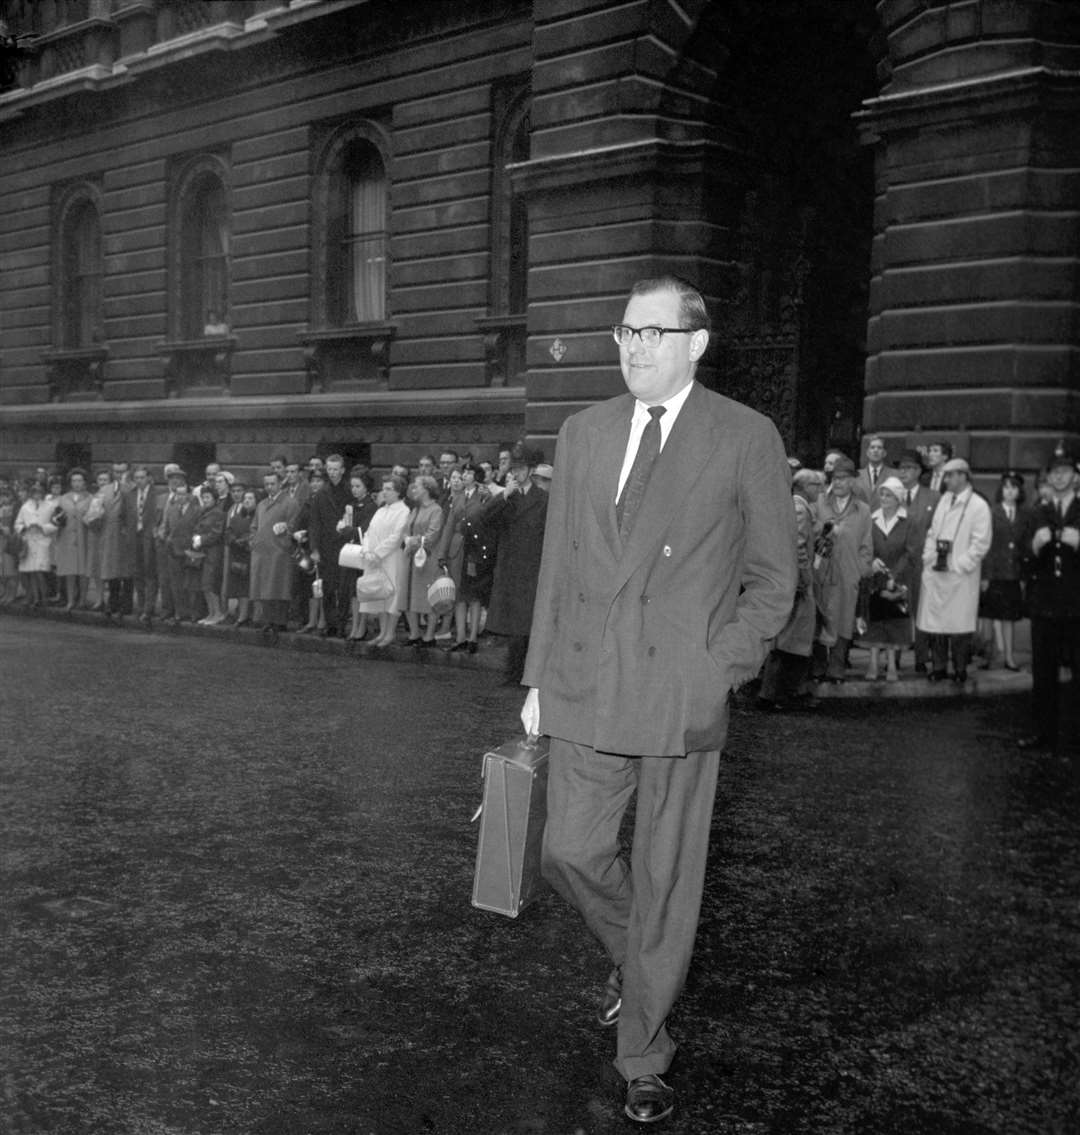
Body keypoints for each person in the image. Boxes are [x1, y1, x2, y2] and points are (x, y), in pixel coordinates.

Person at [520, 275, 796, 1126]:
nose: (635, 348)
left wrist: (718, 669)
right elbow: (559, 569)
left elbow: (774, 581)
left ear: (696, 343)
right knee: (567, 851)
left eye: (653, 333)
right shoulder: (583, 431)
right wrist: (536, 679)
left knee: (667, 878)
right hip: (585, 682)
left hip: (679, 696)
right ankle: (640, 958)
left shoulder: (745, 436)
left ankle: (644, 1050)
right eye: (626, 333)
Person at [1017, 441, 1080, 754]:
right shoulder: (1037, 512)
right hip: (1044, 605)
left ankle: (1074, 736)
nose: (1059, 477)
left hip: (1075, 605)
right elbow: (1022, 557)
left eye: (1065, 471)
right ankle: (1044, 733)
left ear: (1075, 476)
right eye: (1054, 472)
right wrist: (1034, 547)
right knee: (1043, 674)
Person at [916, 457, 992, 684]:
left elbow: (981, 543)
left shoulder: (978, 505)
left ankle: (960, 669)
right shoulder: (944, 500)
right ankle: (939, 667)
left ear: (963, 476)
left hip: (961, 576)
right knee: (937, 625)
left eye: (950, 475)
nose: (946, 480)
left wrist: (959, 565)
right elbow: (933, 532)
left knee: (959, 626)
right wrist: (928, 558)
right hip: (937, 571)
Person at [484, 445, 550, 683]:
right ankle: (513, 672)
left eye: (521, 469)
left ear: (530, 470)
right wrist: (502, 495)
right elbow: (482, 519)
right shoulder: (505, 497)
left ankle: (528, 673)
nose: (517, 474)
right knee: (513, 626)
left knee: (528, 625)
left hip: (532, 567)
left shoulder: (543, 499)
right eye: (514, 469)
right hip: (510, 567)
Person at [758, 467, 823, 709]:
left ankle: (783, 692)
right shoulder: (799, 508)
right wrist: (805, 576)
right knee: (788, 640)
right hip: (796, 582)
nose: (820, 490)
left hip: (793, 580)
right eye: (816, 485)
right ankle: (773, 694)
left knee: (791, 639)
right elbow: (797, 545)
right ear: (804, 487)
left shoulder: (800, 507)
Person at [813, 456, 873, 682]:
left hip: (848, 575)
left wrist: (859, 571)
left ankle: (836, 670)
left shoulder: (863, 510)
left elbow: (867, 546)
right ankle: (818, 669)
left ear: (852, 482)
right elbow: (810, 531)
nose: (838, 483)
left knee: (843, 621)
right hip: (822, 573)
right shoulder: (819, 503)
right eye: (835, 479)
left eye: (843, 479)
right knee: (820, 618)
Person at [860, 476, 911, 682]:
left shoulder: (907, 521)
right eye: (881, 494)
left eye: (888, 495)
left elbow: (909, 552)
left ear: (898, 498)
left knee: (894, 622)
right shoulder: (871, 520)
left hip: (898, 581)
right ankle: (872, 663)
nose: (884, 498)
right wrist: (871, 563)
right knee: (875, 621)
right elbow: (865, 546)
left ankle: (891, 665)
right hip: (875, 580)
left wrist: (894, 577)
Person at [437, 461, 492, 653]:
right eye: (464, 474)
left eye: (469, 474)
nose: (465, 477)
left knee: (474, 595)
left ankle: (473, 637)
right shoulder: (458, 497)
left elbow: (487, 522)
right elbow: (449, 525)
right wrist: (442, 553)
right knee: (459, 595)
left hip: (474, 549)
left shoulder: (484, 495)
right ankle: (460, 637)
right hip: (457, 549)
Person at [977, 472, 1028, 671]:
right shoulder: (991, 512)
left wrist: (1023, 576)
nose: (1010, 491)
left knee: (1009, 618)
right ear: (1001, 490)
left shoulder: (1025, 515)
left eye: (1014, 487)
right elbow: (986, 546)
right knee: (989, 617)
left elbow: (1024, 545)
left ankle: (1009, 657)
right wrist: (986, 576)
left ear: (1019, 491)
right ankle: (987, 657)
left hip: (1012, 574)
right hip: (994, 574)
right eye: (1006, 487)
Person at [894, 449, 939, 673]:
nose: (904, 472)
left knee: (922, 611)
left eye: (909, 468)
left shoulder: (932, 497)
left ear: (919, 471)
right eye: (901, 468)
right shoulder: (890, 494)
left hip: (923, 564)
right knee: (896, 610)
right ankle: (894, 657)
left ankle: (921, 657)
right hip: (897, 564)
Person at [248, 469, 301, 641]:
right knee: (263, 588)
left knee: (279, 587)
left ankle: (279, 621)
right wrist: (253, 540)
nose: (269, 487)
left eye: (273, 484)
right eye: (267, 484)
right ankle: (267, 620)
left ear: (280, 484)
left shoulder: (289, 503)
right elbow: (254, 526)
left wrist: (285, 535)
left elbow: (295, 525)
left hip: (279, 553)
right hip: (261, 552)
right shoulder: (261, 504)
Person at [358, 474, 410, 648]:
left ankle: (390, 633)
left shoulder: (404, 511)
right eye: (383, 488)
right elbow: (368, 533)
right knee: (379, 595)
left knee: (392, 595)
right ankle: (382, 632)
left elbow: (396, 537)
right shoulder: (380, 510)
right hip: (374, 560)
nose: (384, 492)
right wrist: (366, 551)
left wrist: (377, 554)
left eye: (389, 489)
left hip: (392, 559)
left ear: (398, 492)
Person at [306, 453, 353, 638]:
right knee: (327, 587)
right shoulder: (321, 494)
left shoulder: (349, 490)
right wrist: (314, 548)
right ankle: (330, 624)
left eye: (336, 469)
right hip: (326, 546)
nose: (332, 473)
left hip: (344, 544)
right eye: (330, 469)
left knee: (343, 588)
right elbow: (314, 523)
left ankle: (341, 623)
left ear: (342, 470)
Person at [401, 474, 445, 646]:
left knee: (428, 598)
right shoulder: (415, 509)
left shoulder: (436, 510)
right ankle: (414, 634)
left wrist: (415, 541)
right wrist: (407, 540)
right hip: (411, 559)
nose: (414, 490)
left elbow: (433, 534)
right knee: (409, 596)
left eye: (417, 487)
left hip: (427, 560)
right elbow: (405, 529)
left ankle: (429, 636)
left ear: (426, 489)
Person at [339, 468, 379, 643]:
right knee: (353, 592)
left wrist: (348, 530)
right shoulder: (353, 505)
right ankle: (355, 625)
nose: (354, 490)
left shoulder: (371, 506)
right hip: (352, 554)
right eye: (352, 486)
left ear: (366, 487)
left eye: (358, 486)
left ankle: (361, 626)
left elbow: (364, 530)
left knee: (361, 591)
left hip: (364, 553)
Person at [98, 461, 135, 621]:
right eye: (116, 472)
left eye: (122, 472)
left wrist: (125, 485)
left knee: (126, 571)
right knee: (112, 569)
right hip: (109, 534)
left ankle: (126, 605)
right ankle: (112, 602)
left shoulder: (132, 488)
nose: (119, 475)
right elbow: (96, 510)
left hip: (126, 535)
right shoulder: (104, 490)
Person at [53, 468, 92, 611]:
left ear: (85, 482)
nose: (77, 483)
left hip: (84, 537)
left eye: (79, 480)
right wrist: (57, 520)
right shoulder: (63, 499)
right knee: (69, 570)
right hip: (67, 537)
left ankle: (82, 599)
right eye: (74, 480)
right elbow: (57, 516)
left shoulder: (90, 498)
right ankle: (70, 600)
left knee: (83, 570)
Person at [15, 480, 58, 606]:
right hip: (28, 541)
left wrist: (43, 527)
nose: (37, 495)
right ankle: (34, 597)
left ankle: (44, 597)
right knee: (31, 572)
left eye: (39, 492)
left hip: (43, 541)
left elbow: (56, 523)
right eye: (34, 492)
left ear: (43, 493)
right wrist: (25, 528)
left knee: (40, 571)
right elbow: (18, 523)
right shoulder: (25, 507)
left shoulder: (50, 506)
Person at [192, 484, 226, 625]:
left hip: (214, 552)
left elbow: (217, 533)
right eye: (203, 497)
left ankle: (217, 613)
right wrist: (195, 537)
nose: (205, 500)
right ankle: (211, 613)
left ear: (214, 499)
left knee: (210, 584)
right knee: (205, 584)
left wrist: (202, 539)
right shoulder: (203, 511)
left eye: (208, 497)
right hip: (203, 552)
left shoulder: (217, 513)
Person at [130, 466, 159, 623]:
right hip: (135, 537)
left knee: (150, 572)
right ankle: (140, 605)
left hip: (150, 538)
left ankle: (149, 607)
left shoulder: (156, 494)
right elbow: (125, 516)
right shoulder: (131, 494)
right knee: (137, 573)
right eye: (136, 478)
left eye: (142, 477)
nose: (139, 480)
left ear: (148, 478)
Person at [223, 487, 256, 626]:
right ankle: (242, 616)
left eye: (250, 499)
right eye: (245, 499)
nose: (247, 501)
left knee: (252, 587)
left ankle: (253, 616)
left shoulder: (258, 516)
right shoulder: (236, 517)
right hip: (238, 555)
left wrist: (246, 540)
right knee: (241, 589)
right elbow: (228, 532)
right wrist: (234, 540)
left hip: (252, 555)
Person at [857, 435, 898, 508]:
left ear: (884, 453)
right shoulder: (857, 475)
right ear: (867, 453)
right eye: (872, 447)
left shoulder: (895, 475)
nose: (875, 450)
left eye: (879, 448)